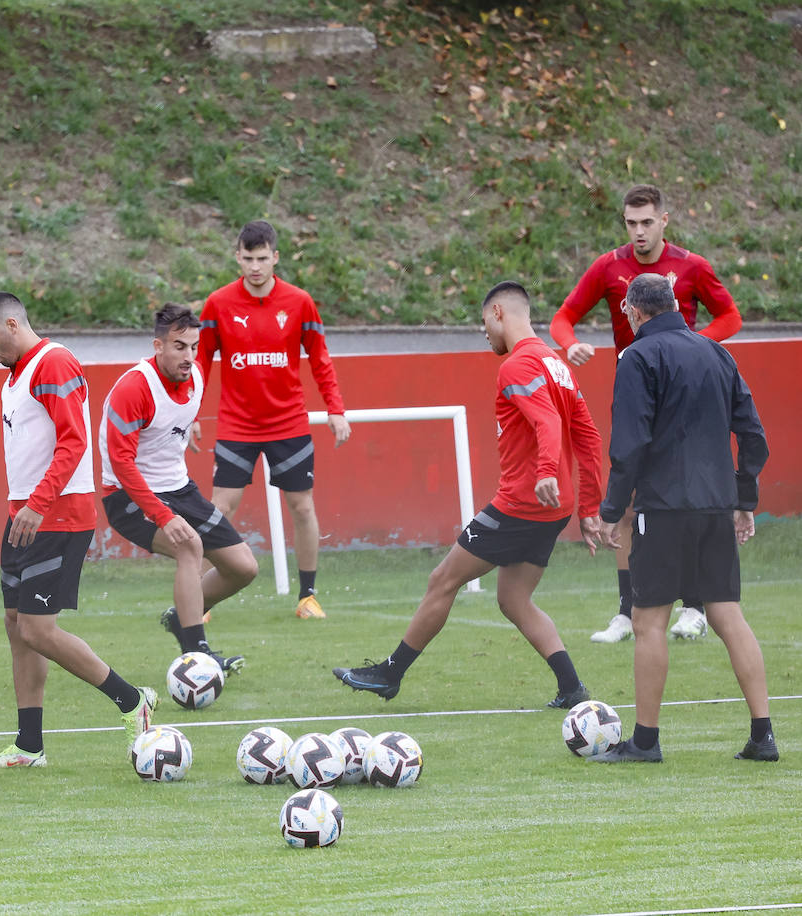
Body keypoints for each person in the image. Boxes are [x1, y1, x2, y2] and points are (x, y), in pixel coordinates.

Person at [333, 282, 603, 709]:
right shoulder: (558, 365)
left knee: (442, 580)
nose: (484, 333)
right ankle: (572, 687)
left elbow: (549, 424)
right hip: (555, 508)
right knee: (514, 599)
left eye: (483, 323)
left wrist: (546, 472)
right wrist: (588, 508)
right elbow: (588, 438)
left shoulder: (516, 366)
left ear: (498, 312)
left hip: (522, 503)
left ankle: (390, 674)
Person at [0, 292, 158, 770]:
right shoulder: (15, 375)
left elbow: (73, 441)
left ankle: (131, 701)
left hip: (56, 516)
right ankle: (30, 745)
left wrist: (38, 502)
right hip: (25, 515)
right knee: (17, 628)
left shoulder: (54, 364)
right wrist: (23, 508)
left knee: (37, 629)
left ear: (12, 324)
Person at [592, 274, 773, 763]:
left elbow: (630, 443)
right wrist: (744, 497)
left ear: (631, 310)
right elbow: (753, 435)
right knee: (728, 614)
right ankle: (763, 735)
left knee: (648, 620)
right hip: (716, 506)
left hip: (664, 510)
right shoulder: (716, 352)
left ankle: (645, 743)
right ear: (675, 304)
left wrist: (611, 511)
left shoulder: (636, 357)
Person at [551, 184, 743, 644]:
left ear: (664, 220)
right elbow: (564, 316)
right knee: (633, 494)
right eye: (630, 223)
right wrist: (569, 343)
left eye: (646, 222)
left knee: (691, 489)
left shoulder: (691, 265)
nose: (638, 231)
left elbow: (730, 316)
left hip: (687, 396)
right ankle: (626, 610)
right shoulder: (608, 266)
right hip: (636, 389)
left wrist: (698, 349)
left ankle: (694, 607)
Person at [195, 220, 349, 620]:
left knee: (301, 507)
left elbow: (320, 359)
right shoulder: (217, 304)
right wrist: (190, 413)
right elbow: (199, 362)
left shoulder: (299, 302)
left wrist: (335, 409)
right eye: (248, 259)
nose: (255, 266)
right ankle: (200, 598)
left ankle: (308, 597)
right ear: (237, 257)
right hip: (237, 425)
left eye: (263, 258)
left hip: (289, 424)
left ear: (275, 257)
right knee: (219, 509)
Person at [98, 304, 257, 673]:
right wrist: (162, 515)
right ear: (158, 346)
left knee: (243, 568)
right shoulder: (134, 388)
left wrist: (189, 427)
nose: (189, 356)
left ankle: (182, 617)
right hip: (127, 496)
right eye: (179, 347)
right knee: (190, 547)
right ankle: (198, 657)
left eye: (193, 346)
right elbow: (122, 465)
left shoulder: (196, 375)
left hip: (180, 488)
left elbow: (177, 416)